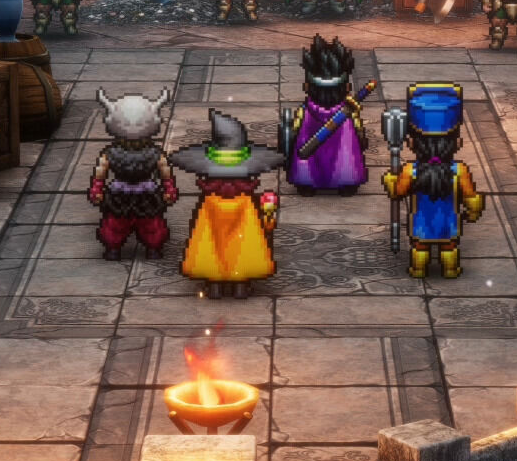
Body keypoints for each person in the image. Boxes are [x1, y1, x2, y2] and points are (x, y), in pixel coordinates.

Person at [169, 110, 284, 298]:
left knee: (217, 242)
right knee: (234, 242)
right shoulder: (242, 194)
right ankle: (235, 283)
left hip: (222, 206)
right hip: (231, 206)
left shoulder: (214, 193)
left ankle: (221, 282)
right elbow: (266, 223)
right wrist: (268, 215)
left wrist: (268, 213)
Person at [382, 83, 483, 280]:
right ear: (457, 143)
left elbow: (398, 192)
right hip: (448, 221)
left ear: (412, 143)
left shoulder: (411, 170)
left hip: (422, 221)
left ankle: (419, 270)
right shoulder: (458, 170)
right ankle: (450, 270)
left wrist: (391, 179)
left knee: (420, 245)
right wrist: (473, 212)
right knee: (449, 245)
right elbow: (471, 197)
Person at [89, 89, 178, 260]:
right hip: (121, 193)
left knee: (150, 224)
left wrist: (169, 187)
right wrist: (97, 188)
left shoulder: (153, 153)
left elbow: (164, 170)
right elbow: (101, 171)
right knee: (116, 224)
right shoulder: (112, 153)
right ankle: (114, 248)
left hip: (145, 193)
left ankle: (152, 247)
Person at [281, 34, 368, 195]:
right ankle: (344, 183)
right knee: (344, 156)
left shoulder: (305, 111)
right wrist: (362, 139)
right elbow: (360, 133)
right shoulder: (347, 111)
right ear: (347, 87)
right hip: (340, 157)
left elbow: (293, 133)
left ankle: (308, 183)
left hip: (313, 158)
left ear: (307, 86)